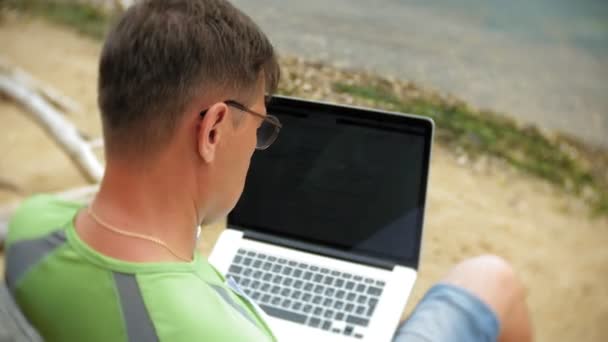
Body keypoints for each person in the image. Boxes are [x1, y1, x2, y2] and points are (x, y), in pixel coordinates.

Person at [4, 0, 533, 341]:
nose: (259, 147)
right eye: (260, 127)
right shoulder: (221, 331)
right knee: (492, 278)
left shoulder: (30, 232)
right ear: (212, 130)